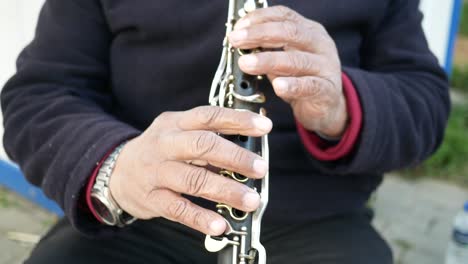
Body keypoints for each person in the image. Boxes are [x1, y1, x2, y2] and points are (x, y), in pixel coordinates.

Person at [0, 0, 450, 263]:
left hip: (314, 222)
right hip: (138, 215)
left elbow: (425, 103)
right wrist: (116, 167)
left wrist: (341, 105)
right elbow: (39, 95)